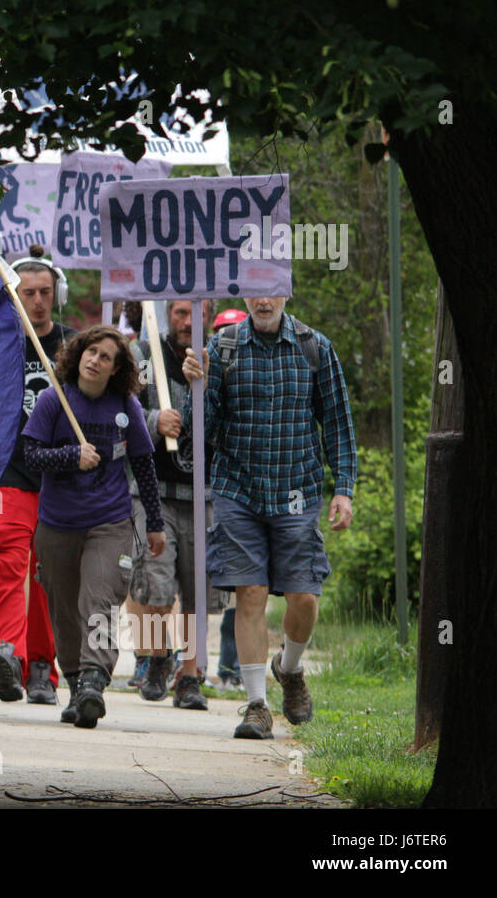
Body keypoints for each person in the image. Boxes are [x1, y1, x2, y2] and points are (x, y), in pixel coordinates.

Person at [182, 296, 356, 739]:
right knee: (251, 591)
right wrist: (196, 388)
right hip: (237, 489)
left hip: (297, 489)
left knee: (304, 596)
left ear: (287, 292)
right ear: (243, 295)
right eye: (254, 290)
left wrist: (344, 490)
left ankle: (290, 668)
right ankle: (257, 705)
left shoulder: (314, 347)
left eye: (272, 290)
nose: (263, 300)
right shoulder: (220, 349)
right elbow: (199, 433)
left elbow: (337, 422)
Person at [22, 325, 166, 728]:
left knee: (100, 598)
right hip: (57, 523)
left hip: (110, 521)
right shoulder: (54, 399)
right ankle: (74, 684)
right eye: (90, 351)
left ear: (116, 369)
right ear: (78, 354)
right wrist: (71, 456)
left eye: (105, 357)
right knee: (65, 609)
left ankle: (94, 681)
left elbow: (143, 464)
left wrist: (154, 523)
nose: (94, 360)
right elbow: (30, 454)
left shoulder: (126, 406)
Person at [0, 246, 78, 705]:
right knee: (9, 558)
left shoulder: (76, 348)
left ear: (56, 293)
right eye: (27, 293)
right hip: (11, 473)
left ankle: (42, 665)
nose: (36, 301)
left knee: (46, 573)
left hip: (61, 480)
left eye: (44, 292)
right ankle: (4, 653)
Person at [127, 299, 221, 711]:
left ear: (209, 315)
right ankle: (156, 657)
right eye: (180, 313)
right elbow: (119, 409)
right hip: (154, 489)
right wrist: (152, 421)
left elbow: (233, 417)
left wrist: (210, 383)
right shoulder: (143, 355)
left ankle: (190, 675)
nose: (187, 321)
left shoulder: (222, 358)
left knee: (198, 592)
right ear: (167, 315)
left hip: (206, 492)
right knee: (156, 585)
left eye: (196, 313)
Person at [210, 308, 248, 691]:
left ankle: (231, 669)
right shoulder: (206, 372)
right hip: (201, 494)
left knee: (242, 590)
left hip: (236, 495)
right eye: (223, 332)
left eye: (235, 331)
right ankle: (169, 663)